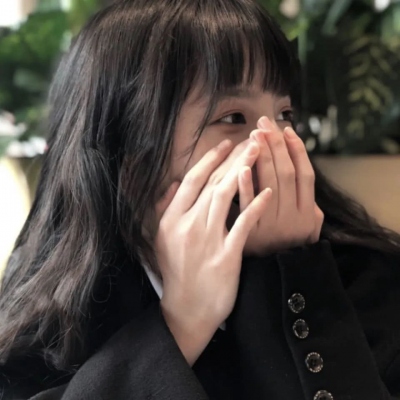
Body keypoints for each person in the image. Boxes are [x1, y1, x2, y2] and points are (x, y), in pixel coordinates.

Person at [1, 0, 400, 399]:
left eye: (284, 114)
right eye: (233, 118)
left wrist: (288, 271)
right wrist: (184, 319)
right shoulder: (51, 318)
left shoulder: (366, 275)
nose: (276, 143)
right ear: (131, 161)